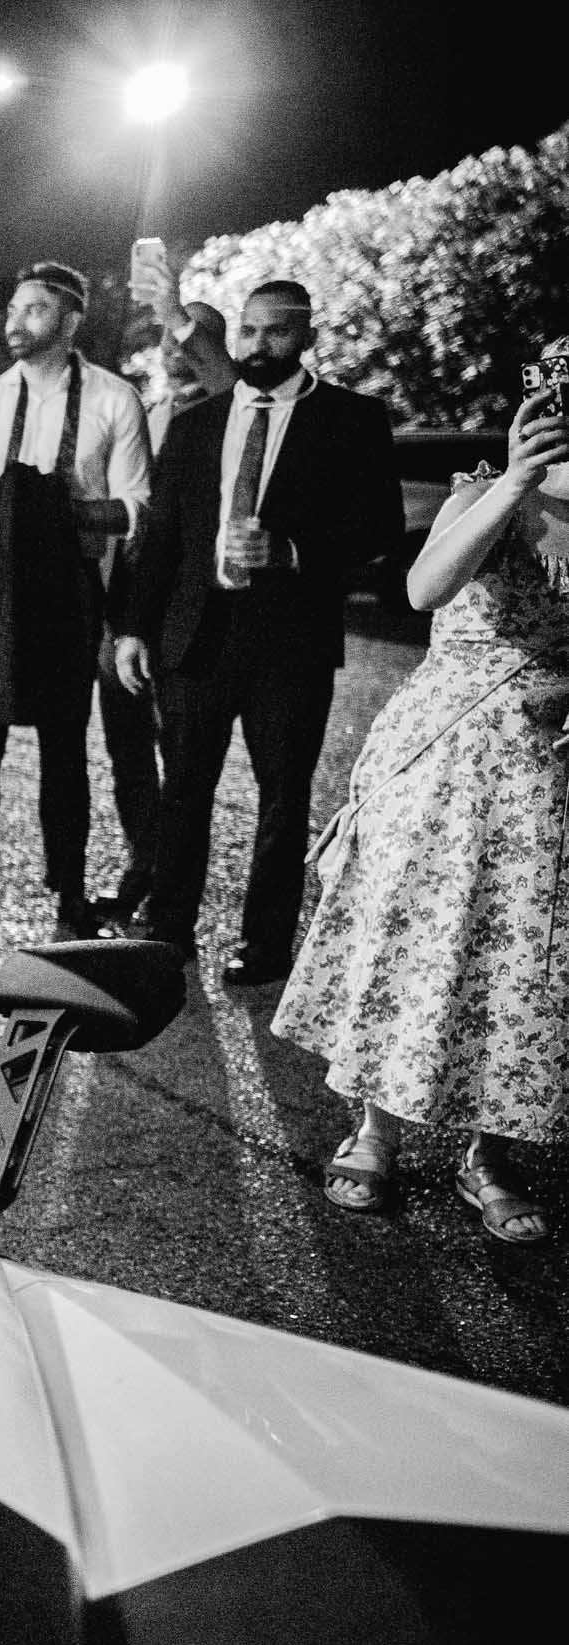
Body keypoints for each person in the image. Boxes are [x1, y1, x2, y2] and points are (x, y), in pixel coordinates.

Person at [274, 361, 569, 1243]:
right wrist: (518, 481)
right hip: (443, 751)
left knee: (523, 960)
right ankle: (374, 1131)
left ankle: (488, 1157)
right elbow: (424, 589)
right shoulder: (484, 491)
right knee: (410, 933)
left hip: (545, 765)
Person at [114, 281, 402, 983]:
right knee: (183, 786)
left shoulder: (350, 419)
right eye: (247, 331)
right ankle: (168, 930)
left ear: (306, 335)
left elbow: (380, 530)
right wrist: (132, 629)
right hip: (197, 635)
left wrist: (294, 549)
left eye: (274, 332)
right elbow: (164, 540)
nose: (255, 346)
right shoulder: (197, 422)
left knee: (283, 798)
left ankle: (265, 946)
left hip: (289, 641)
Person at [0, 260, 152, 941]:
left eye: (35, 311)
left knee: (64, 748)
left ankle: (70, 894)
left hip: (71, 592)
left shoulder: (114, 399)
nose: (16, 323)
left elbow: (138, 504)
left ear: (72, 320)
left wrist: (67, 514)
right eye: (13, 310)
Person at [130, 245, 238, 456]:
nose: (173, 343)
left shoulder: (228, 404)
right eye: (169, 330)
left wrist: (173, 313)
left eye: (184, 334)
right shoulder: (147, 411)